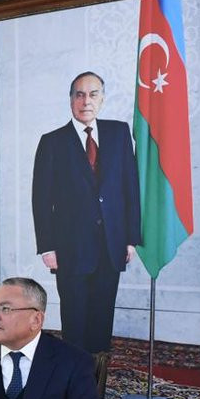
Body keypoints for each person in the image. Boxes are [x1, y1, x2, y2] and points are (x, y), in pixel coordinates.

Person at [31, 71, 141, 353]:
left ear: (102, 99)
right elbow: (41, 200)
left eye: (93, 94)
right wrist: (47, 247)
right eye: (79, 95)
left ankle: (97, 379)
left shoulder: (119, 134)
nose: (86, 101)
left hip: (111, 245)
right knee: (75, 322)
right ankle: (74, 379)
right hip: (70, 249)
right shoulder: (52, 142)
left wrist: (130, 238)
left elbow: (130, 187)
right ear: (71, 100)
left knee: (102, 322)